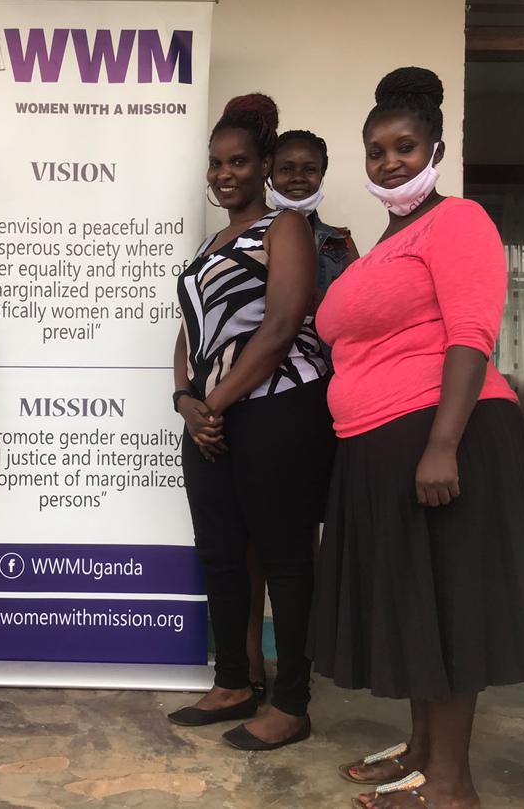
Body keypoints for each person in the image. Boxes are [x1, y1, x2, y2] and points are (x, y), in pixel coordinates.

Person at [309, 67, 524, 809]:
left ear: (435, 147)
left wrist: (442, 444)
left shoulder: (459, 221)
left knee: (448, 612)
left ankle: (450, 786)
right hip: (378, 447)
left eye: (405, 147)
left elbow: (472, 335)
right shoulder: (383, 245)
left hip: (446, 439)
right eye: (376, 151)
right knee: (415, 609)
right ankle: (421, 753)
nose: (390, 163)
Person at [166, 94, 335, 751]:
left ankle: (292, 703)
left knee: (287, 560)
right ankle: (234, 681)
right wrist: (186, 400)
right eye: (215, 163)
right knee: (222, 556)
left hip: (276, 414)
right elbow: (190, 334)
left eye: (238, 161)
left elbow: (282, 325)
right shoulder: (211, 243)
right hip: (211, 422)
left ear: (263, 164)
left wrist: (217, 402)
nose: (224, 173)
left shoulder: (283, 229)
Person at [246, 129, 359, 698]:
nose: (297, 178)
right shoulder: (248, 236)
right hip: (255, 394)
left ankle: (299, 668)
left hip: (317, 398)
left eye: (308, 168)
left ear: (323, 171)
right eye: (286, 168)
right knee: (254, 539)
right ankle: (249, 662)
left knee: (296, 539)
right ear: (269, 172)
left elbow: (354, 321)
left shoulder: (339, 244)